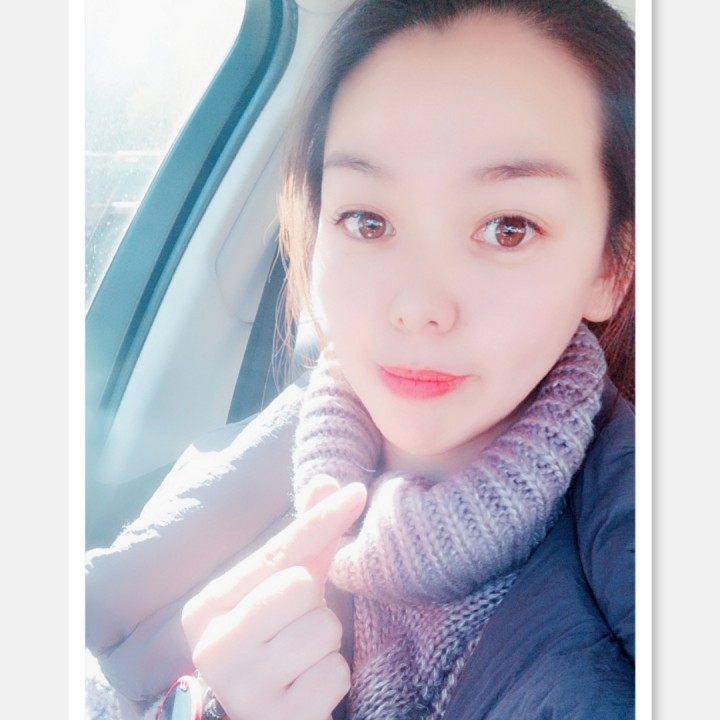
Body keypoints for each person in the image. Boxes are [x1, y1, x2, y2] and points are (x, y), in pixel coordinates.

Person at [85, 0, 636, 718]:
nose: (418, 306)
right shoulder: (217, 475)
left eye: (509, 228)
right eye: (368, 221)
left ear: (610, 266)